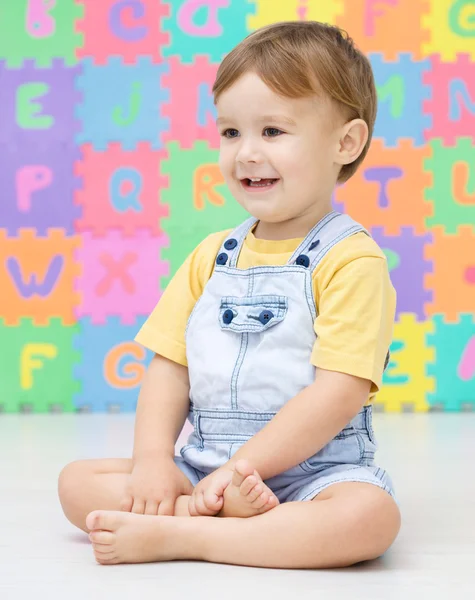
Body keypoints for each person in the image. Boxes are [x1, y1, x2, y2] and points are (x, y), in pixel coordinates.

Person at [58, 20, 401, 569]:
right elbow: (170, 366)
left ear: (346, 142)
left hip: (315, 472)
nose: (245, 153)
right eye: (230, 132)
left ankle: (188, 535)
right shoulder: (212, 256)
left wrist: (242, 470)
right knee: (77, 483)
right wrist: (153, 462)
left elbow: (339, 391)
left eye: (272, 132)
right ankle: (224, 517)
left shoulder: (352, 261)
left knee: (369, 517)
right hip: (204, 464)